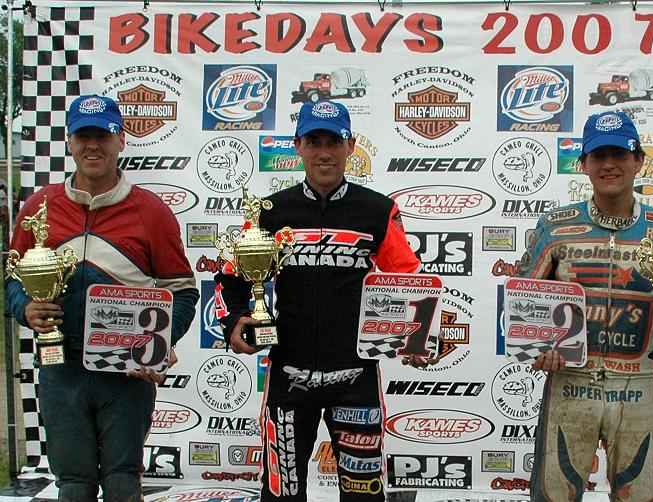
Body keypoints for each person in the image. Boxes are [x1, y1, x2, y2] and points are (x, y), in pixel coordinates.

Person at [215, 100, 421, 501]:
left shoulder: (378, 210)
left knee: (364, 494)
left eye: (333, 141)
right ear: (298, 146)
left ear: (350, 146)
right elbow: (230, 276)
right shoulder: (269, 212)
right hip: (288, 375)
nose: (324, 151)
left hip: (356, 376)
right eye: (314, 141)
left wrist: (417, 335)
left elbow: (409, 280)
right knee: (281, 493)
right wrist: (236, 320)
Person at [5, 94, 199, 501]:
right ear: (70, 141)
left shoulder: (151, 211)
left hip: (126, 373)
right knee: (73, 483)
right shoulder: (39, 206)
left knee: (122, 480)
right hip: (61, 367)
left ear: (121, 140)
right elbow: (10, 280)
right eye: (84, 135)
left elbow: (182, 291)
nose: (93, 145)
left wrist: (159, 343)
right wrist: (25, 307)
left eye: (103, 135)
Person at [518, 111, 653, 501]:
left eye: (620, 154)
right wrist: (540, 349)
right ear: (584, 164)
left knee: (641, 497)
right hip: (571, 384)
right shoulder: (555, 226)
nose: (610, 164)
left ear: (639, 160)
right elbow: (523, 301)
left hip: (639, 384)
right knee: (553, 496)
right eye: (599, 155)